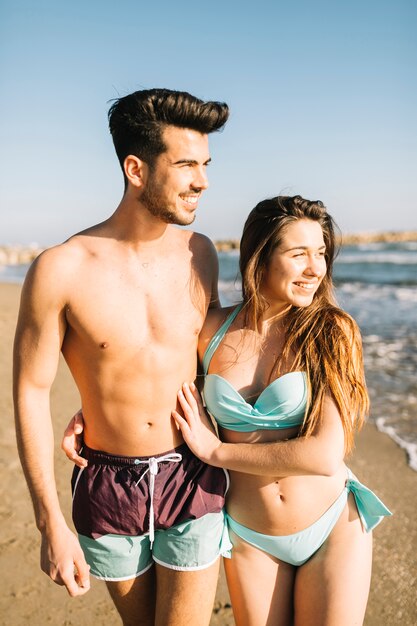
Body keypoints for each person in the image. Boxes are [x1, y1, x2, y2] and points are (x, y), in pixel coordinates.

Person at [13, 88, 231, 626]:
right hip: (108, 484)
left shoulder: (199, 253)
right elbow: (30, 390)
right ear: (136, 168)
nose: (202, 180)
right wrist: (50, 524)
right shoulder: (61, 269)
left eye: (205, 164)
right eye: (185, 165)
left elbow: (223, 355)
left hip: (192, 471)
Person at [171, 195, 392, 626]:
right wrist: (90, 417)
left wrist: (216, 452)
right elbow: (153, 379)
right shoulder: (210, 333)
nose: (315, 268)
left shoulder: (333, 332)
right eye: (299, 254)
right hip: (250, 536)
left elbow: (324, 454)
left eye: (322, 253)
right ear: (260, 258)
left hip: (331, 526)